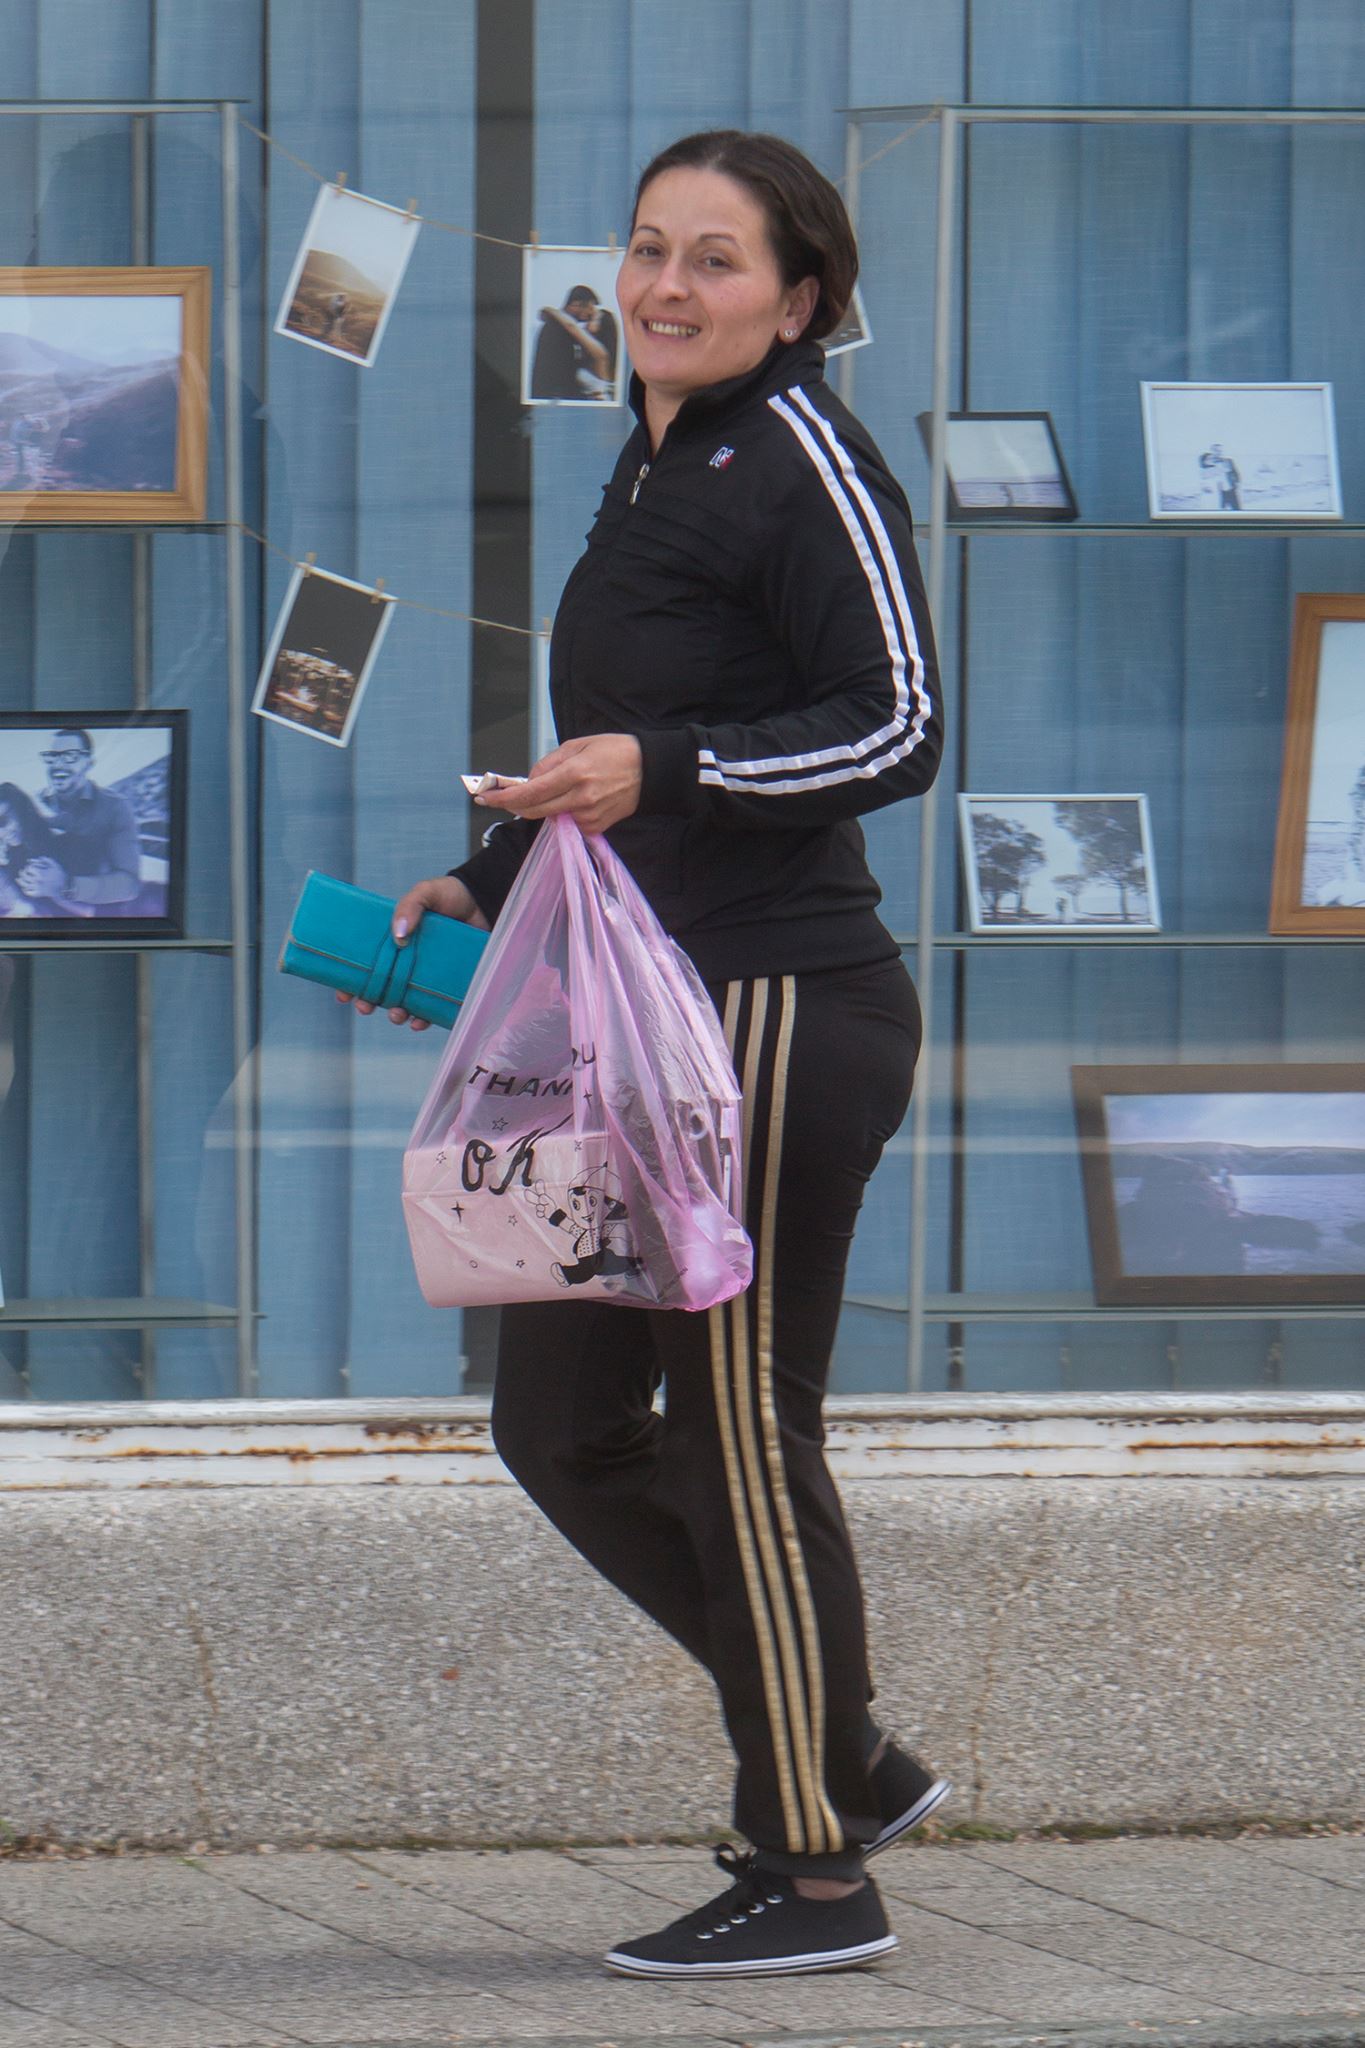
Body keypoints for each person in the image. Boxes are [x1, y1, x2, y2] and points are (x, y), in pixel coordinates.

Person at [348, 129, 946, 1979]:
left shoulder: (807, 456)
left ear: (801, 299)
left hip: (773, 1009)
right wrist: (493, 869)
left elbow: (901, 723)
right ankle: (841, 1748)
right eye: (647, 247)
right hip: (643, 1015)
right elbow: (639, 734)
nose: (667, 287)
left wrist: (667, 769)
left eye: (716, 258)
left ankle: (815, 1871)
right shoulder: (659, 452)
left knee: (740, 1432)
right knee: (558, 1423)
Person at [24, 729, 141, 910]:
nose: (58, 765)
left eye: (70, 756)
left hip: (95, 920)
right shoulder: (30, 804)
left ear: (89, 763)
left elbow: (129, 885)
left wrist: (67, 885)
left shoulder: (115, 807)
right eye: (52, 757)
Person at [0, 781, 89, 918]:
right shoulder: (14, 861)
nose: (1, 832)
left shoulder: (70, 844)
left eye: (3, 821)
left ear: (22, 809)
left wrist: (57, 893)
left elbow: (101, 913)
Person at [529, 285, 619, 399]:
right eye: (590, 308)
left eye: (594, 318)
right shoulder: (558, 328)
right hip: (554, 397)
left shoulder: (568, 330)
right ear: (576, 304)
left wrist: (550, 310)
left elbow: (571, 326)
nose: (591, 313)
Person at [1199, 441, 1241, 509]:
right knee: (1221, 510)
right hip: (1220, 493)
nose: (1219, 452)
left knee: (1237, 509)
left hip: (1231, 489)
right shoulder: (1209, 462)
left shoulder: (1228, 460)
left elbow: (1235, 472)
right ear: (1212, 451)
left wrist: (1237, 482)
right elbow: (1204, 479)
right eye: (1216, 450)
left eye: (1220, 450)